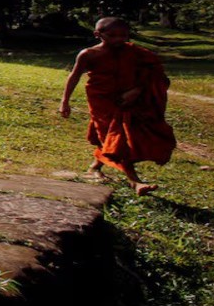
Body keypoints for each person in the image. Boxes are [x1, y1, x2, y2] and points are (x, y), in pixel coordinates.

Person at [59, 17, 176, 195]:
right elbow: (74, 76)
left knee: (118, 138)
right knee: (115, 138)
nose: (119, 40)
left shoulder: (134, 52)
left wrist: (137, 90)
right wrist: (64, 101)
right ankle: (135, 181)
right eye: (113, 35)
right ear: (98, 34)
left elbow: (154, 72)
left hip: (129, 101)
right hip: (102, 101)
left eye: (124, 35)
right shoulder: (89, 54)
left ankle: (95, 166)